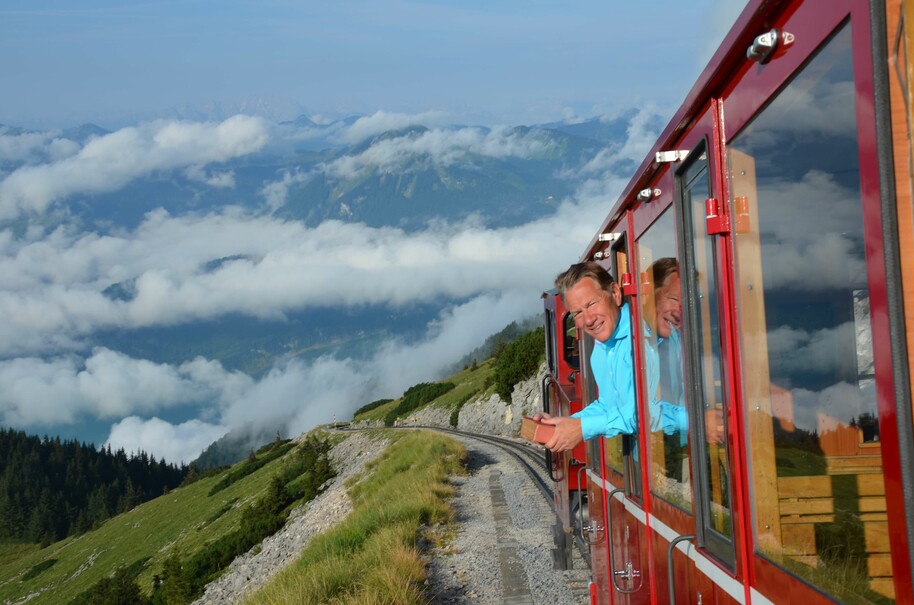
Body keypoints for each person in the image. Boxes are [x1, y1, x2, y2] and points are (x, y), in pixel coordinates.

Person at [534, 262, 688, 453]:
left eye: (591, 304)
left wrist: (582, 428)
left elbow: (644, 414)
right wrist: (566, 424)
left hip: (683, 451)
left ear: (615, 293)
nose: (588, 319)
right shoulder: (600, 350)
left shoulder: (643, 338)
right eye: (578, 313)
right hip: (648, 457)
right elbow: (608, 404)